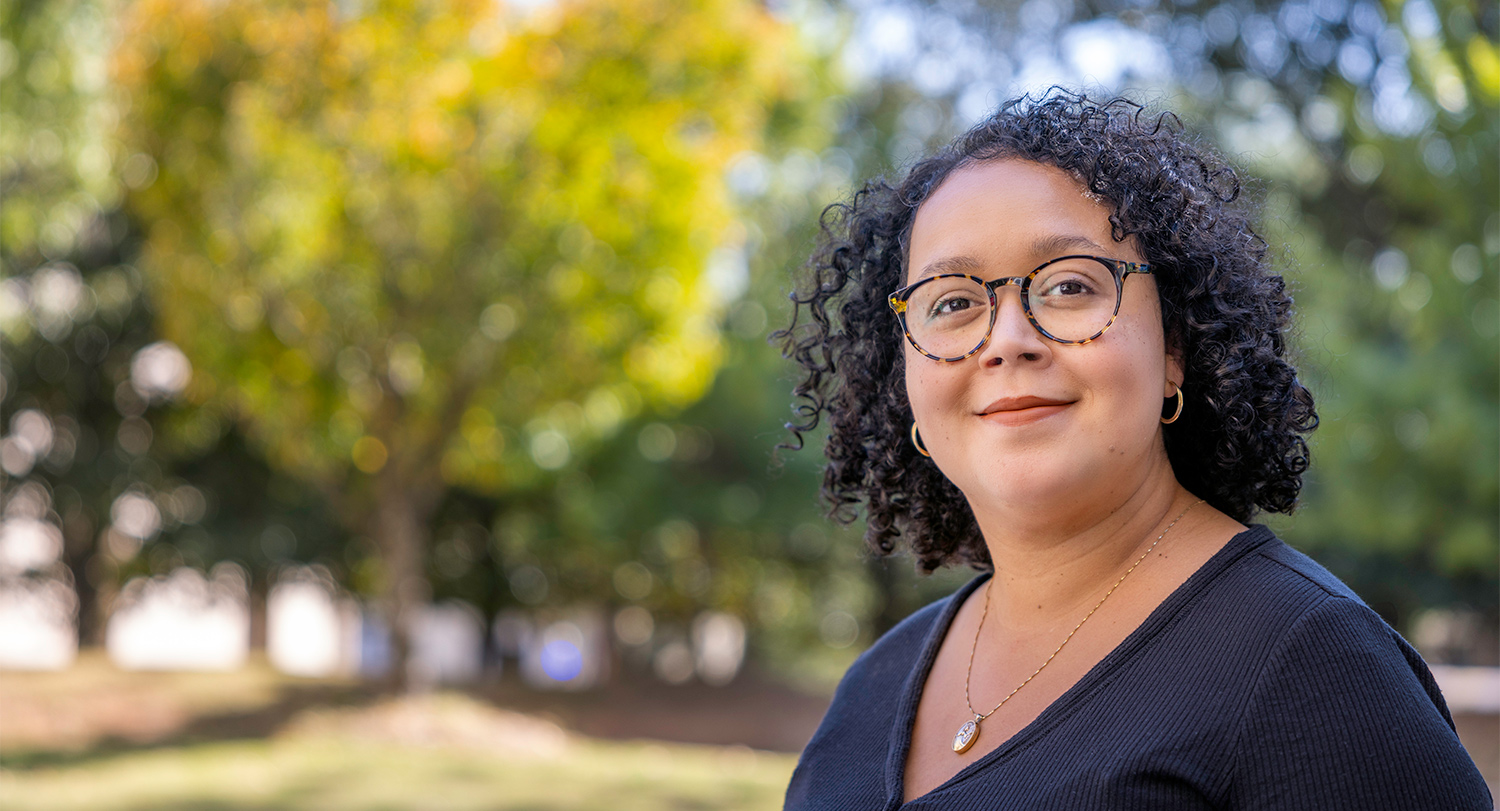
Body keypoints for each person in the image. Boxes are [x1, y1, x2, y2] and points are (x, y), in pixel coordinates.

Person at [776, 91, 1491, 810]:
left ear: (1174, 349)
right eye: (953, 302)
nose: (1006, 340)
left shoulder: (1310, 664)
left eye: (1068, 286)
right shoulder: (873, 684)